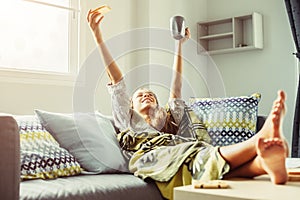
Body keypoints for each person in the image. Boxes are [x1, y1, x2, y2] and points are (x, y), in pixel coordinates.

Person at [87, 8, 289, 200]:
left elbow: (176, 86)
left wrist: (179, 44)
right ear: (130, 105)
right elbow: (117, 80)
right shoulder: (126, 119)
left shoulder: (166, 119)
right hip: (150, 158)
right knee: (189, 155)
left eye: (151, 95)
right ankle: (258, 141)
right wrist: (98, 35)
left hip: (181, 151)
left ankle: (261, 165)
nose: (147, 95)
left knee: (197, 153)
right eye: (140, 95)